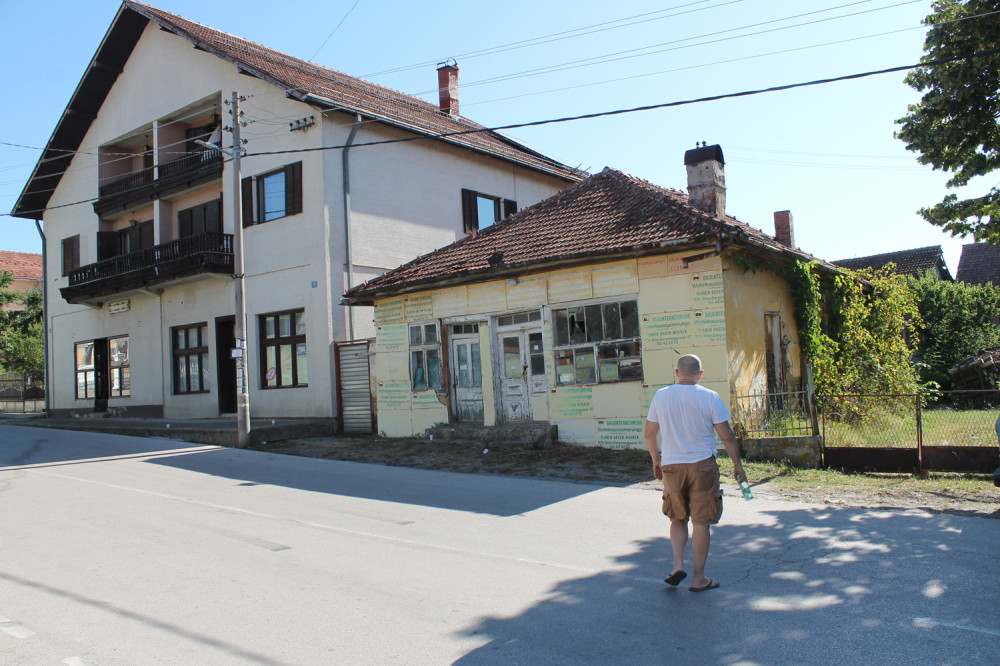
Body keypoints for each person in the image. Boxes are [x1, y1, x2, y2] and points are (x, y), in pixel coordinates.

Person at [644, 354, 746, 592]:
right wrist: (738, 466)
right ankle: (699, 579)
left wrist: (656, 460)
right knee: (701, 522)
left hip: (671, 466)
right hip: (703, 466)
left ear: (677, 373)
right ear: (700, 374)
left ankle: (678, 565)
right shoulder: (710, 397)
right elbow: (727, 436)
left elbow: (649, 434)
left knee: (677, 517)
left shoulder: (661, 396)